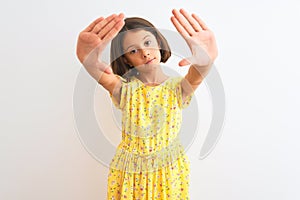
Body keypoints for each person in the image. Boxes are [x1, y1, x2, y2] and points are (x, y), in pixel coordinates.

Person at [76, 8, 217, 200]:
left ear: (158, 42)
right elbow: (102, 77)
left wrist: (205, 62)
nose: (144, 53)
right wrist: (87, 60)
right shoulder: (124, 89)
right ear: (125, 58)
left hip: (168, 172)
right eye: (133, 50)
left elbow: (196, 75)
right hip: (131, 173)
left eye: (148, 43)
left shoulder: (178, 89)